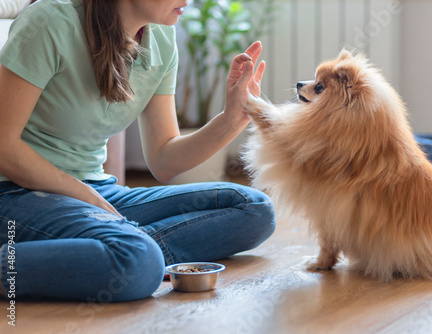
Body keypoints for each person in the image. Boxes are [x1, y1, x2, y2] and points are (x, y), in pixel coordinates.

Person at [0, 0, 275, 302]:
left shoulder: (161, 38)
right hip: (16, 193)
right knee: (137, 259)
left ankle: (113, 244)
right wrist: (88, 198)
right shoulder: (52, 20)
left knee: (253, 208)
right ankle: (125, 248)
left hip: (96, 192)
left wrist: (232, 118)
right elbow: (4, 148)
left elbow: (164, 159)